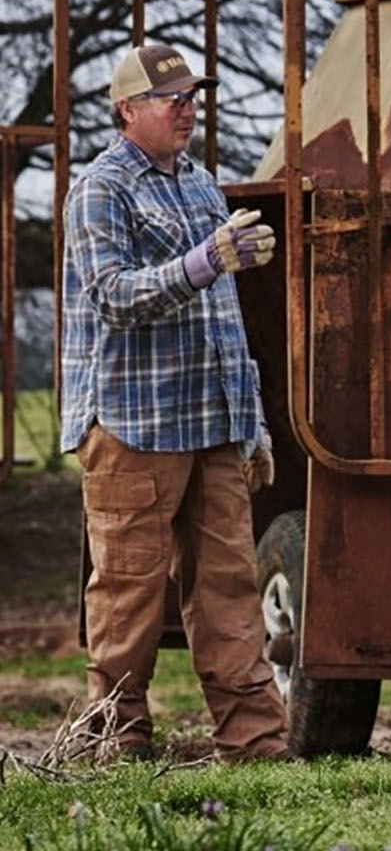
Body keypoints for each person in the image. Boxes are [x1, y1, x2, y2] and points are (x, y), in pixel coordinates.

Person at [60, 43, 288, 763]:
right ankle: (115, 746)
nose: (188, 110)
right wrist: (205, 261)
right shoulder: (101, 189)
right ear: (127, 110)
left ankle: (256, 746)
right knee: (127, 594)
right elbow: (113, 297)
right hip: (134, 423)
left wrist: (251, 422)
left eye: (193, 97)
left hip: (213, 421)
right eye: (172, 99)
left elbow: (226, 319)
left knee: (230, 588)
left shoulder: (199, 185)